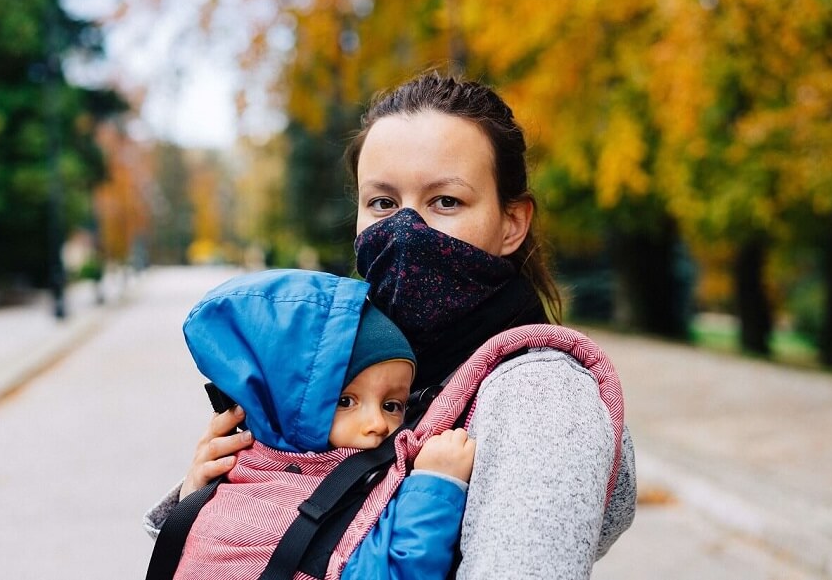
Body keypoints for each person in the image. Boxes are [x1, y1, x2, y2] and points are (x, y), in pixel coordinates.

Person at [145, 72, 636, 578]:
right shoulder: (354, 358)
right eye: (382, 202)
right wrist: (212, 498)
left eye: (445, 201)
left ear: (512, 223)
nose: (405, 230)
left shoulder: (540, 396)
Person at [171, 268, 475, 579]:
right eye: (345, 401)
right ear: (285, 405)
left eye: (391, 405)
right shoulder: (249, 505)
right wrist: (436, 486)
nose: (378, 424)